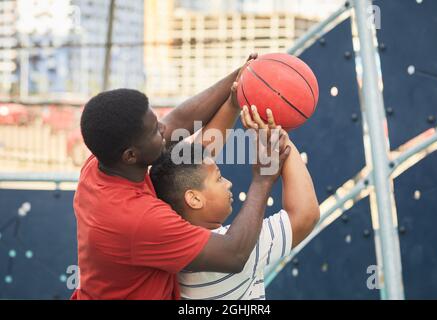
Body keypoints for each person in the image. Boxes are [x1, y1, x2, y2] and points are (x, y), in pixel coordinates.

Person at [72, 54, 291, 300]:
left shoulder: (100, 165)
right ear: (131, 155)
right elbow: (234, 255)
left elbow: (179, 122)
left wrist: (237, 83)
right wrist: (263, 179)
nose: (164, 129)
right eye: (155, 131)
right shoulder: (137, 219)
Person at [151, 108, 320, 300]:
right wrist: (281, 139)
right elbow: (306, 215)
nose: (228, 183)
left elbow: (188, 167)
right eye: (219, 178)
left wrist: (233, 102)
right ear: (195, 199)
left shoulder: (174, 249)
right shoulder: (234, 249)